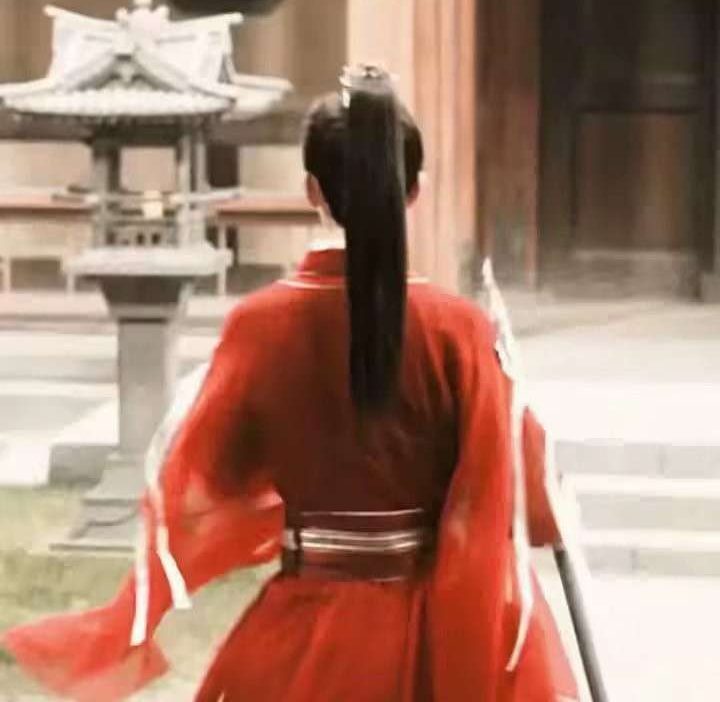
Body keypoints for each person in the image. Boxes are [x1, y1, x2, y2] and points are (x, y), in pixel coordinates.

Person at [3, 64, 578, 702]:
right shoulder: (460, 330)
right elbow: (527, 492)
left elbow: (210, 477)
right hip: (438, 643)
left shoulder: (260, 326)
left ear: (312, 191)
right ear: (414, 190)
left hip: (306, 630)